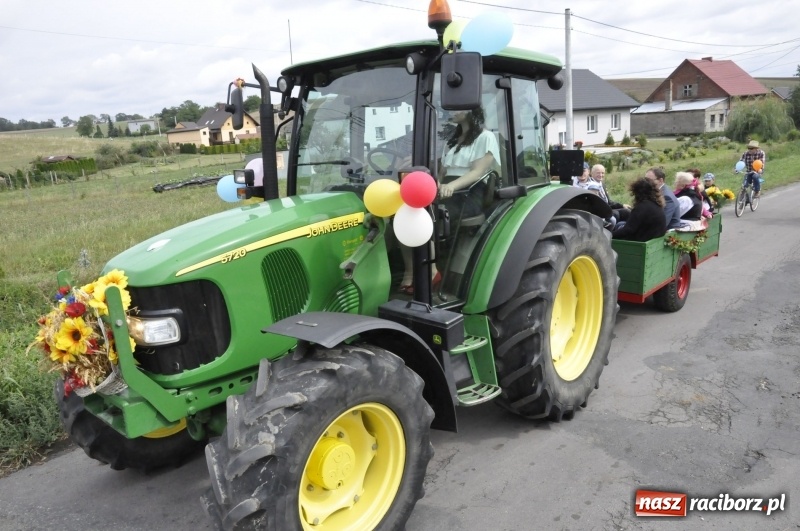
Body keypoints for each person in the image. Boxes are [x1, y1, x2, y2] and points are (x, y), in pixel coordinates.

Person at [398, 107, 500, 294]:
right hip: (446, 189)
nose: (450, 111)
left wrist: (451, 187)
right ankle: (410, 271)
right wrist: (434, 183)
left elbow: (477, 172)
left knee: (427, 215)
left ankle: (432, 271)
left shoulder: (486, 137)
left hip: (470, 191)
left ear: (470, 110)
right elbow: (442, 172)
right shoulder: (452, 140)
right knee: (405, 214)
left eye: (456, 107)